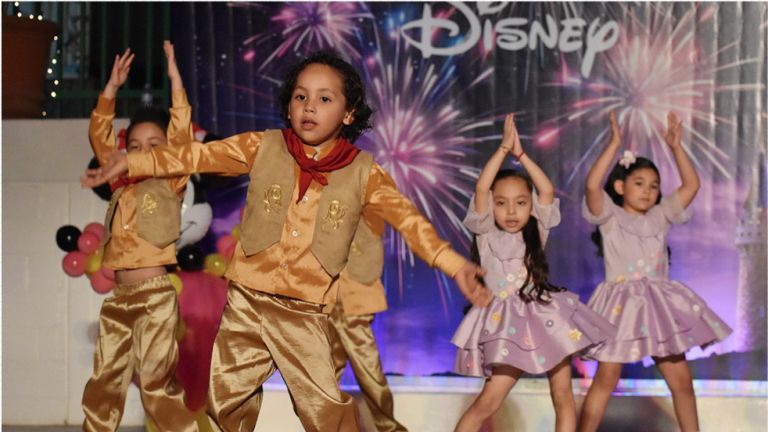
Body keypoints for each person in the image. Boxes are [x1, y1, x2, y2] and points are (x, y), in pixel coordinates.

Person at [80, 50, 492, 432]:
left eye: (325, 98)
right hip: (246, 304)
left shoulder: (365, 172)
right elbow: (194, 156)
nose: (309, 106)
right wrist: (133, 161)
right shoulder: (263, 146)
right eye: (300, 96)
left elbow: (409, 221)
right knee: (223, 405)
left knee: (325, 411)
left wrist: (455, 266)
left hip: (304, 313)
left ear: (349, 113)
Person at [452, 114, 615, 432]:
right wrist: (502, 150)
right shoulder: (485, 234)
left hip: (545, 318)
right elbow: (482, 188)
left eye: (520, 203)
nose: (511, 211)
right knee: (488, 402)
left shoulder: (537, 230)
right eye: (502, 203)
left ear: (530, 207)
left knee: (563, 395)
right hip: (506, 325)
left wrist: (522, 155)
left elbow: (545, 189)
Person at [577, 111, 732, 432]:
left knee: (682, 382)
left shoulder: (660, 215)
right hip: (620, 307)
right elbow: (593, 185)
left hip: (660, 307)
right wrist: (614, 145)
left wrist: (675, 147)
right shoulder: (609, 216)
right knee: (605, 380)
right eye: (639, 183)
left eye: (654, 185)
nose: (648, 190)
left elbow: (692, 184)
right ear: (619, 186)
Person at [81, 42, 199, 432]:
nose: (141, 152)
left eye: (153, 146)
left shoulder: (171, 180)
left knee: (155, 386)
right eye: (133, 147)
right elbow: (100, 137)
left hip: (154, 299)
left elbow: (180, 141)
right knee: (104, 384)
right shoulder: (119, 181)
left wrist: (176, 81)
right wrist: (111, 89)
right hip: (119, 301)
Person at [328, 214, 408, 432]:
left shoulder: (367, 195)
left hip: (354, 302)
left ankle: (389, 428)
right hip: (322, 300)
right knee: (323, 378)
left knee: (369, 373)